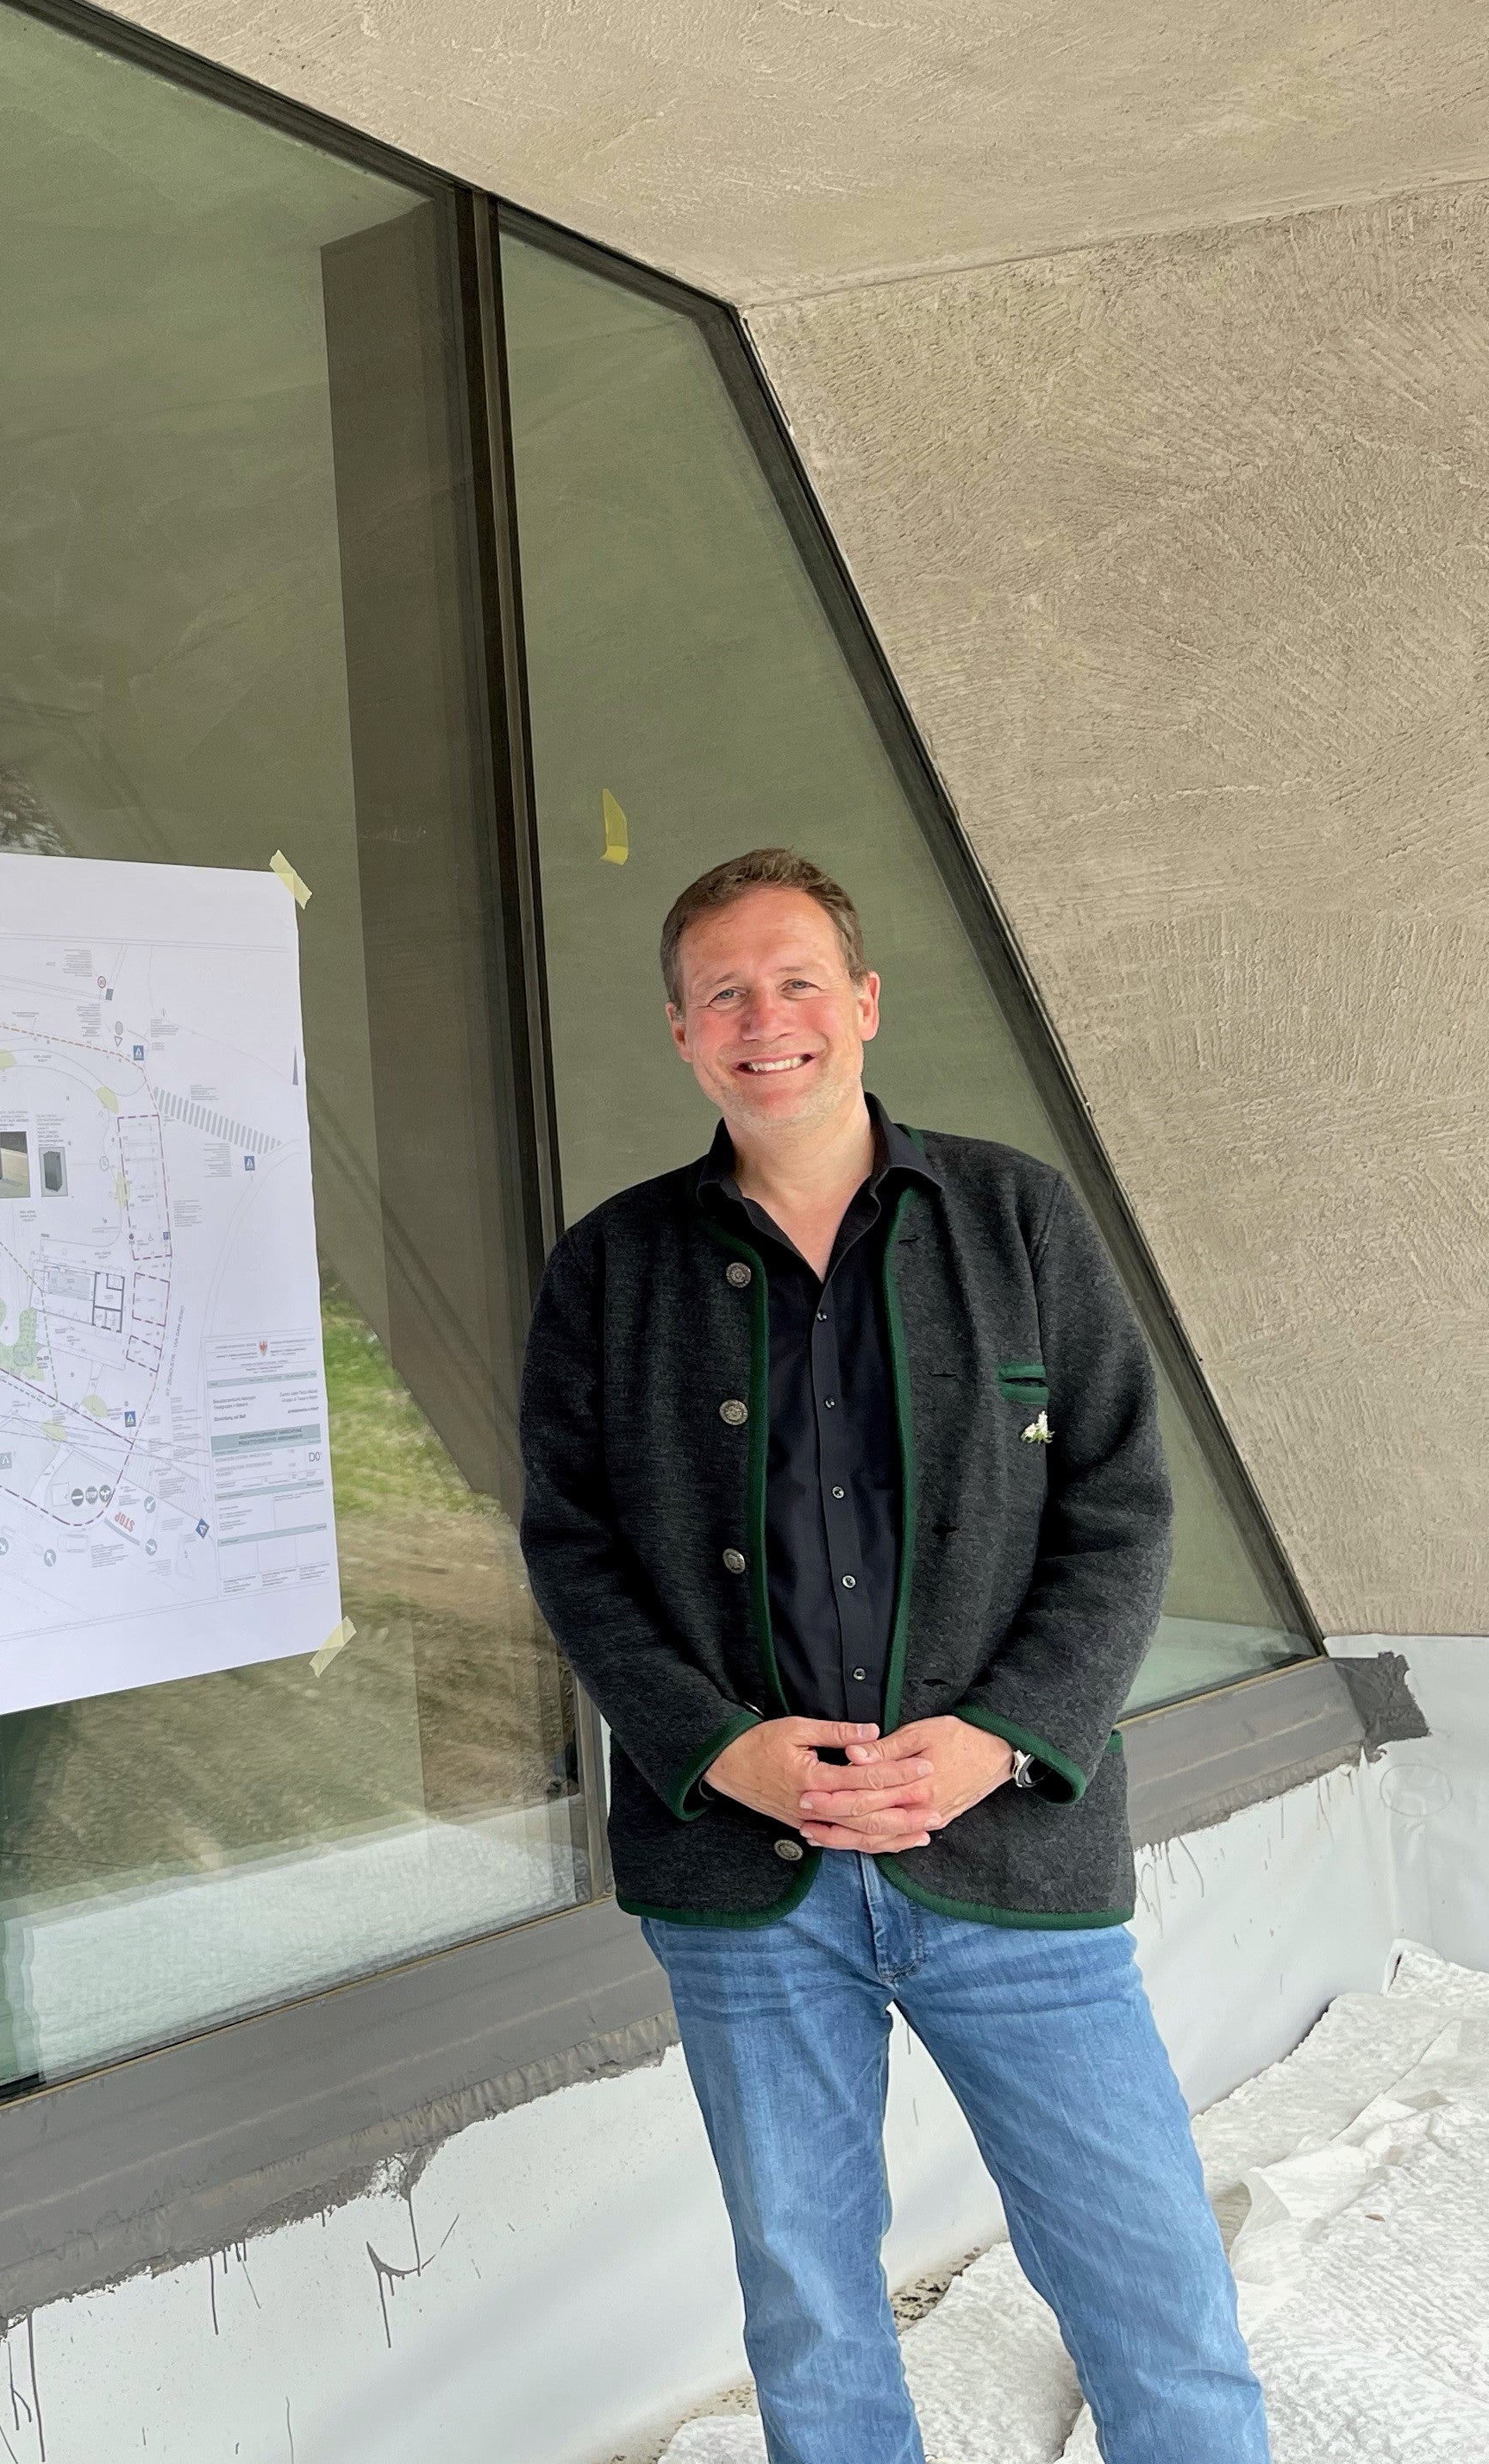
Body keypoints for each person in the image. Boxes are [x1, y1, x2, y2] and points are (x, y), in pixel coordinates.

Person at [516, 849, 1268, 2464]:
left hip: (1012, 1854)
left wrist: (1002, 1734)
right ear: (680, 1032)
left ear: (861, 1005)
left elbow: (1124, 1509)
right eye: (723, 990)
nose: (762, 1018)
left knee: (1149, 2280)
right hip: (748, 1887)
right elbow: (571, 1544)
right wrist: (718, 1745)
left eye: (795, 980)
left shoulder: (1016, 1217)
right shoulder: (609, 1269)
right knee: (807, 2302)